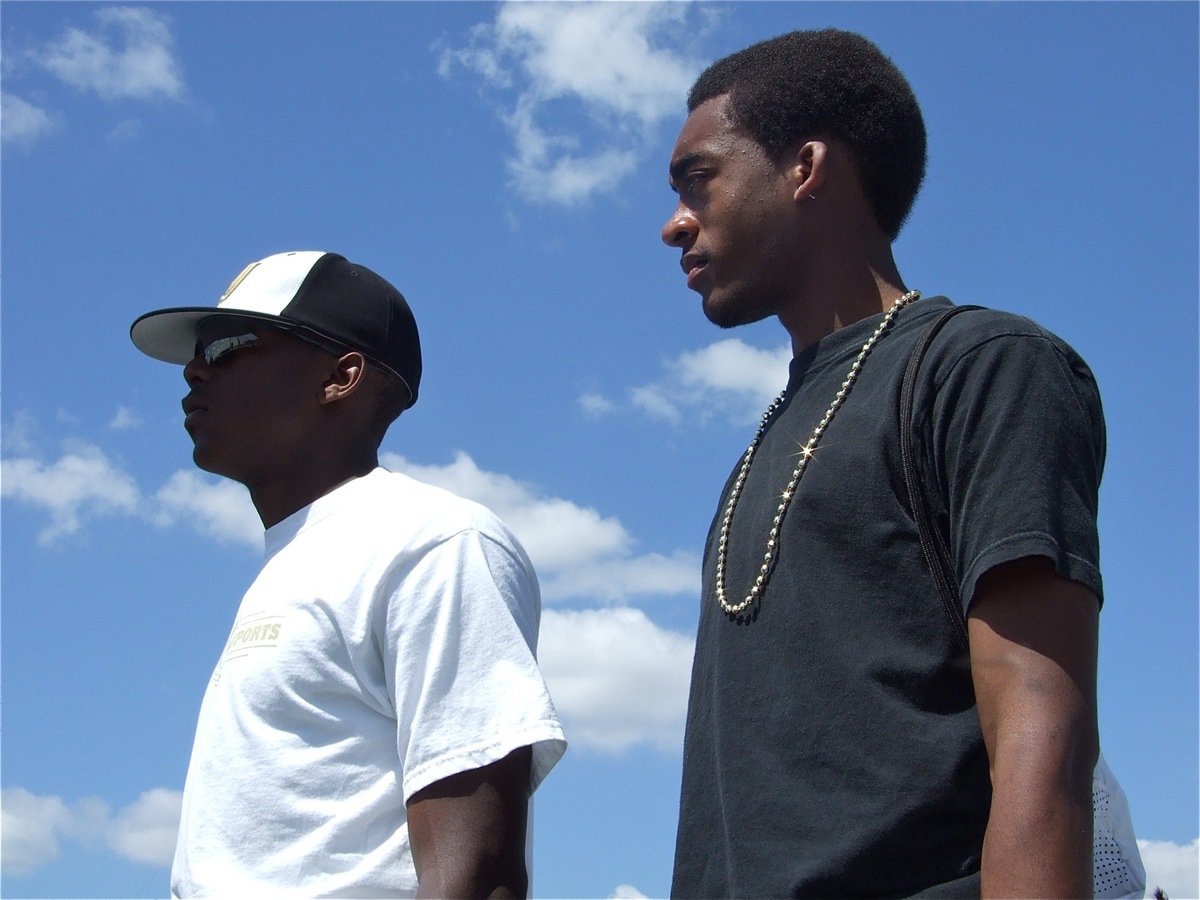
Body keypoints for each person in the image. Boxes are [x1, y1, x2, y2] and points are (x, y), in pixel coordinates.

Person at [662, 30, 1114, 897]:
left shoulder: (981, 365)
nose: (674, 221)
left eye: (698, 178)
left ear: (805, 169)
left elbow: (1042, 730)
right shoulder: (771, 432)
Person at [130, 250, 566, 898]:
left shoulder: (431, 543)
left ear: (341, 375)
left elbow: (475, 872)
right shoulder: (297, 560)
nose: (195, 370)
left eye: (228, 346)